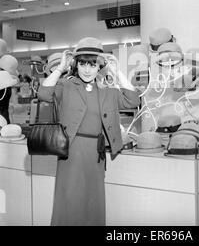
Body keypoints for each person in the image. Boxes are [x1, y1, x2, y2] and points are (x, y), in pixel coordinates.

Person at [38, 37, 140, 226]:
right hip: (71, 151)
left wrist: (117, 72)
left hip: (95, 154)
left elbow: (133, 100)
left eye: (92, 65)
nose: (87, 69)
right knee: (69, 197)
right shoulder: (66, 85)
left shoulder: (107, 91)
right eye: (83, 64)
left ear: (99, 66)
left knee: (93, 199)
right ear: (76, 65)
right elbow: (43, 94)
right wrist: (60, 68)